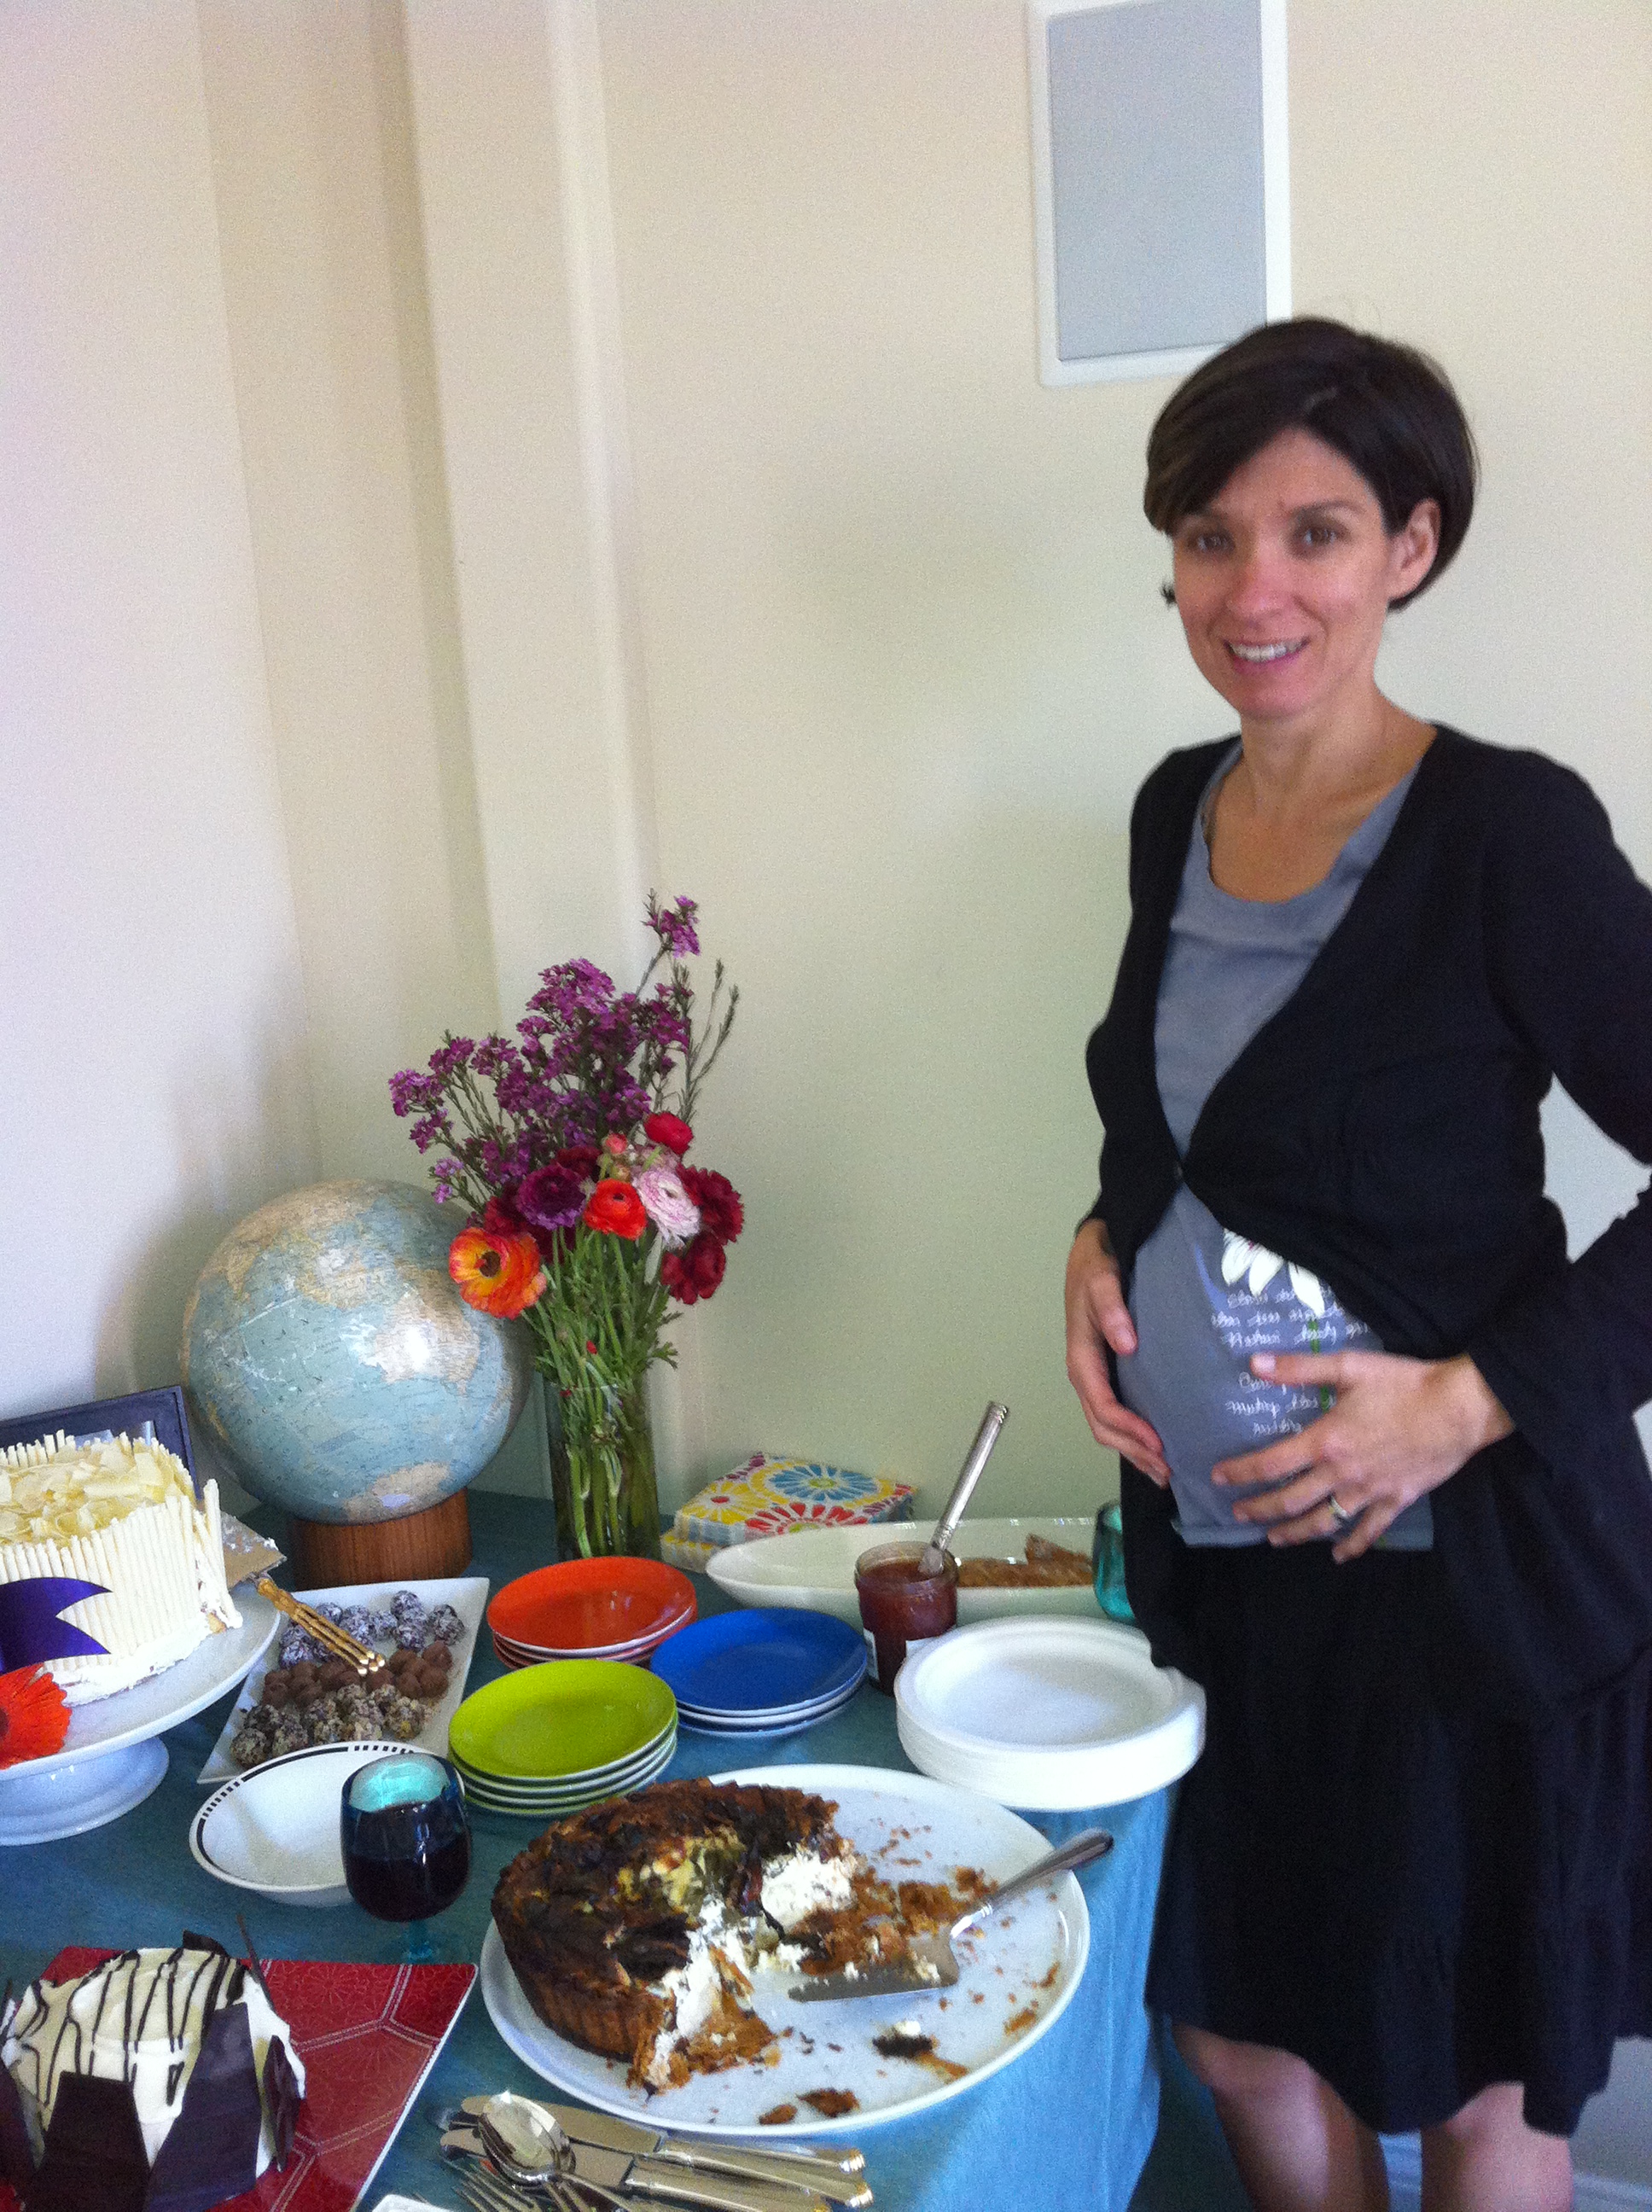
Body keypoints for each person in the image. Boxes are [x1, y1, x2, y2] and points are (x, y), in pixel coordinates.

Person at [1065, 317, 1652, 2212]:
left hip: (1459, 1589)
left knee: (1476, 2083)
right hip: (1232, 1579)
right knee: (1241, 2033)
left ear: (1409, 547)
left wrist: (1466, 1403)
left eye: (1313, 533)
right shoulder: (1172, 807)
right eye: (1210, 538)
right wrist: (1100, 1237)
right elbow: (1183, 1120)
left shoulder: (1504, 834)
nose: (1255, 591)